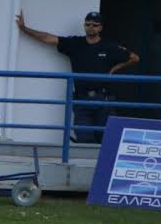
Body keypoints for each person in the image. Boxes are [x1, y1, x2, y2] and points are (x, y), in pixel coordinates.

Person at [15, 10, 139, 143]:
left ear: (101, 28)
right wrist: (24, 29)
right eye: (88, 24)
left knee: (107, 140)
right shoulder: (75, 43)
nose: (91, 27)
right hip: (82, 101)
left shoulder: (109, 46)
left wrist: (114, 69)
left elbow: (134, 58)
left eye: (95, 25)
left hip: (104, 100)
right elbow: (48, 38)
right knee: (84, 140)